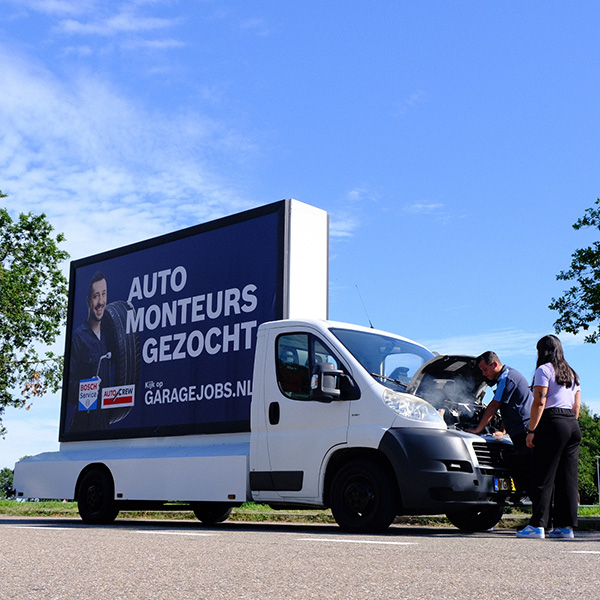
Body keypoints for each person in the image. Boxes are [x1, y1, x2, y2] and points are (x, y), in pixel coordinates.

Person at [517, 335, 581, 539]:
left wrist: (532, 430)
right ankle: (565, 527)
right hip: (572, 423)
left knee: (543, 476)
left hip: (553, 421)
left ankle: (537, 525)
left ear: (542, 351)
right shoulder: (572, 373)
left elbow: (539, 402)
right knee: (567, 478)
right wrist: (569, 423)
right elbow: (576, 406)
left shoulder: (543, 370)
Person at [467, 351, 533, 497]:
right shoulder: (509, 375)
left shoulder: (506, 377)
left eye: (485, 369)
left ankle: (540, 517)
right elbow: (509, 407)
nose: (483, 374)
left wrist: (478, 429)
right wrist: (503, 431)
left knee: (529, 474)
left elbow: (494, 405)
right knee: (527, 472)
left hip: (523, 431)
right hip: (520, 430)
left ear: (495, 364)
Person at [67, 271, 113, 431]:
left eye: (104, 294)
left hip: (106, 427)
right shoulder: (78, 338)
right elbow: (69, 389)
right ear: (88, 301)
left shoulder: (110, 335)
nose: (101, 301)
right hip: (84, 428)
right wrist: (88, 387)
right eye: (96, 296)